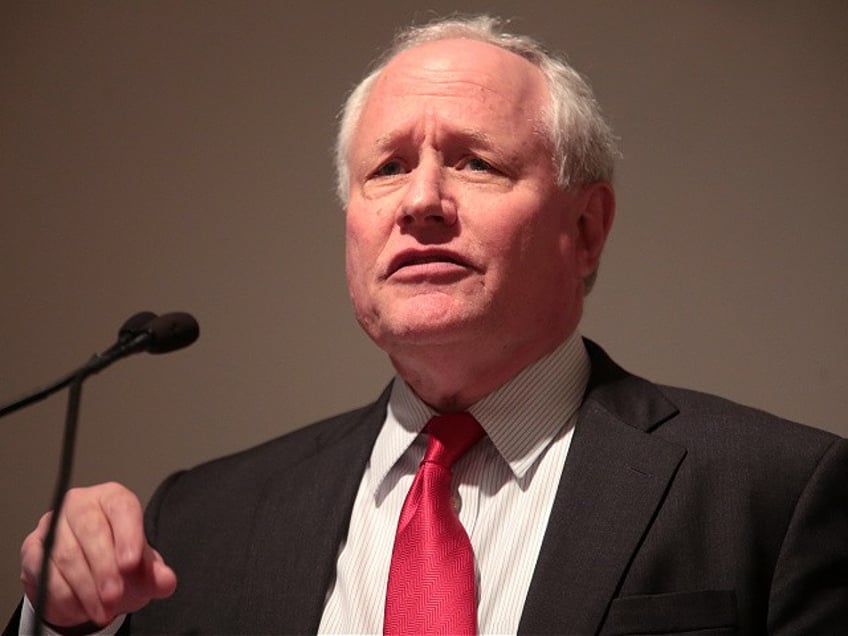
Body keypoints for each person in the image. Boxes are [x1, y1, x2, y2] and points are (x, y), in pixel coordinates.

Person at [8, 14, 847, 635]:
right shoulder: (199, 522)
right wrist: (61, 621)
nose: (420, 201)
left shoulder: (776, 492)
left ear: (585, 229)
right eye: (387, 168)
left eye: (476, 162)